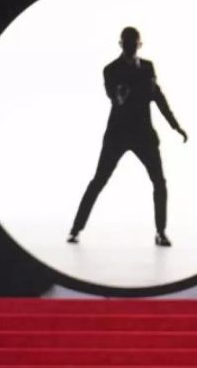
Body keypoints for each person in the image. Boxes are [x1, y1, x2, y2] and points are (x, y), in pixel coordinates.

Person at [67, 27, 188, 247]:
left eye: (134, 44)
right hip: (118, 135)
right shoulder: (110, 70)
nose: (131, 47)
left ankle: (161, 232)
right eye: (127, 43)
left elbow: (158, 96)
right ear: (121, 44)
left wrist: (175, 125)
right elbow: (114, 96)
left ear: (139, 45)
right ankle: (75, 229)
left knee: (159, 183)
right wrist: (120, 95)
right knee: (99, 181)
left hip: (143, 135)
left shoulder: (148, 68)